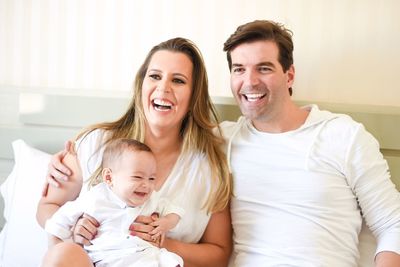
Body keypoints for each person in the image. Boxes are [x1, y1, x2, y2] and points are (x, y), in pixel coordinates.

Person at [37, 37, 233, 267]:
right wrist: (74, 228)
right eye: (155, 76)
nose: (163, 88)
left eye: (178, 80)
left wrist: (159, 245)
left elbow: (219, 254)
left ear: (193, 98)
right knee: (61, 255)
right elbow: (47, 206)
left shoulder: (210, 168)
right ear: (141, 84)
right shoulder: (96, 143)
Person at [221, 20, 400, 266]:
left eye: (264, 68)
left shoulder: (343, 136)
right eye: (239, 69)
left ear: (290, 75)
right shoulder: (222, 141)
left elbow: (393, 224)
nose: (249, 81)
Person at [45, 138, 184, 267]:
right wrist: (56, 244)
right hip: (104, 260)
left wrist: (167, 223)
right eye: (137, 177)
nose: (146, 185)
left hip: (143, 258)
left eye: (152, 179)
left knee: (169, 261)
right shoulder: (95, 198)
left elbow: (175, 211)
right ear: (109, 177)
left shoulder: (152, 199)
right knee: (65, 253)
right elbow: (60, 219)